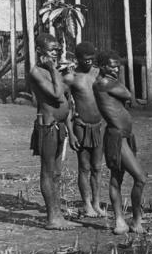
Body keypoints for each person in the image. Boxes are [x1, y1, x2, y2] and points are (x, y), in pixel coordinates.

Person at [28, 33, 79, 230]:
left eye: (57, 49)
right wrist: (52, 69)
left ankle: (58, 215)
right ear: (40, 51)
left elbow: (65, 97)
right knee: (48, 172)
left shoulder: (53, 71)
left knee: (57, 173)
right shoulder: (37, 72)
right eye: (51, 50)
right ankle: (52, 218)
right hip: (47, 127)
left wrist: (71, 132)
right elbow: (57, 95)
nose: (56, 53)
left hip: (59, 127)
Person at [93, 49, 146, 234]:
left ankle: (121, 221)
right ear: (102, 66)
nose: (116, 70)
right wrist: (116, 80)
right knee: (140, 178)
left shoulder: (109, 81)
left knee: (117, 178)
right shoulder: (104, 82)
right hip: (117, 137)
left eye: (118, 67)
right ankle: (134, 220)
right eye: (112, 67)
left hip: (124, 136)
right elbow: (127, 94)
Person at [62, 41, 106, 217]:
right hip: (81, 126)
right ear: (77, 58)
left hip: (99, 125)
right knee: (84, 167)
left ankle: (96, 203)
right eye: (85, 59)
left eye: (91, 58)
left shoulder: (99, 73)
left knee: (97, 167)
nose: (88, 62)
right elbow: (66, 106)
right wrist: (71, 133)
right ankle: (87, 205)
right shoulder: (71, 77)